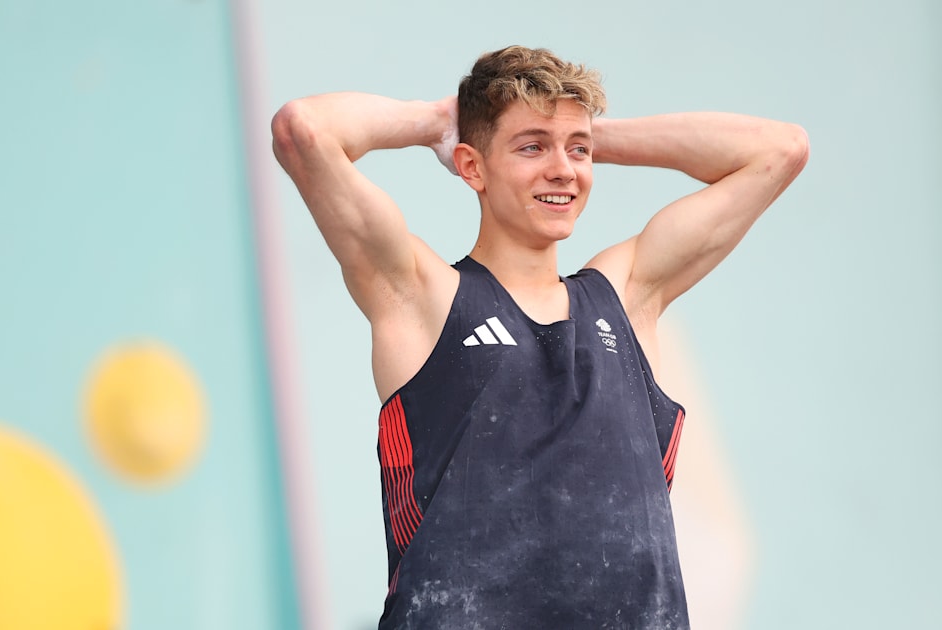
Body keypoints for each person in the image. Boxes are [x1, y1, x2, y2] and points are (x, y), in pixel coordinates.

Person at [271, 45, 808, 629]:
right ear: (472, 166)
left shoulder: (628, 296)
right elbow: (304, 131)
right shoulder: (422, 296)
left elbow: (778, 151)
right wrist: (435, 122)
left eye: (578, 151)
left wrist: (586, 139)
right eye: (531, 147)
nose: (563, 170)